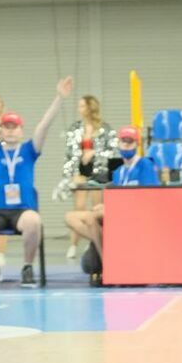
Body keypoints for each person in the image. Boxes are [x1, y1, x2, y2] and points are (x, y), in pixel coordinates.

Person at [0, 73, 73, 285]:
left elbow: (43, 127)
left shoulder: (29, 150)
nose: (11, 131)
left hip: (23, 210)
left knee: (34, 221)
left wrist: (59, 98)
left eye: (15, 127)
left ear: (22, 130)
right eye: (7, 127)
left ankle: (27, 267)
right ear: (1, 131)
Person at [65, 127, 159, 280]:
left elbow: (151, 197)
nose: (126, 145)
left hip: (136, 215)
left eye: (130, 142)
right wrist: (105, 207)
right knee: (71, 217)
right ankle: (105, 250)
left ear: (137, 144)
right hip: (116, 216)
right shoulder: (118, 172)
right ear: (119, 144)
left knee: (94, 218)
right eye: (124, 142)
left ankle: (107, 263)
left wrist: (112, 208)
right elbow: (115, 198)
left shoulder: (145, 165)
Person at [58, 95, 118, 258]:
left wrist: (94, 152)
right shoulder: (75, 128)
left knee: (96, 206)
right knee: (79, 206)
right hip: (81, 170)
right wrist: (67, 175)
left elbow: (112, 151)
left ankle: (94, 240)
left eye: (82, 106)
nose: (79, 109)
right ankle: (73, 244)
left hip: (98, 171)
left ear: (90, 108)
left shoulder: (105, 129)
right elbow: (70, 153)